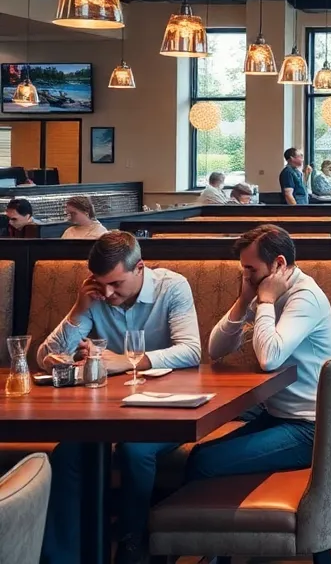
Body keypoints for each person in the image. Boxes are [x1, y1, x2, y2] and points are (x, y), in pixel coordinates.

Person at [38, 231, 202, 564]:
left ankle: (132, 543)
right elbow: (45, 356)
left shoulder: (172, 287)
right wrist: (78, 308)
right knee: (68, 453)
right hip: (108, 411)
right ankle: (62, 557)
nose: (109, 293)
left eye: (116, 284)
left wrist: (121, 361)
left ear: (139, 267)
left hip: (168, 406)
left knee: (134, 450)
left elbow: (192, 350)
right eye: (101, 284)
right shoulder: (94, 295)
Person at [188, 224, 331, 480]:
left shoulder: (304, 296)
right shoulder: (261, 286)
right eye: (243, 269)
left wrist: (266, 301)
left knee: (204, 461)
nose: (246, 276)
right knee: (198, 454)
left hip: (312, 427)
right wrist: (242, 301)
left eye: (251, 269)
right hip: (275, 413)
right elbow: (216, 349)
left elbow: (269, 359)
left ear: (279, 263)